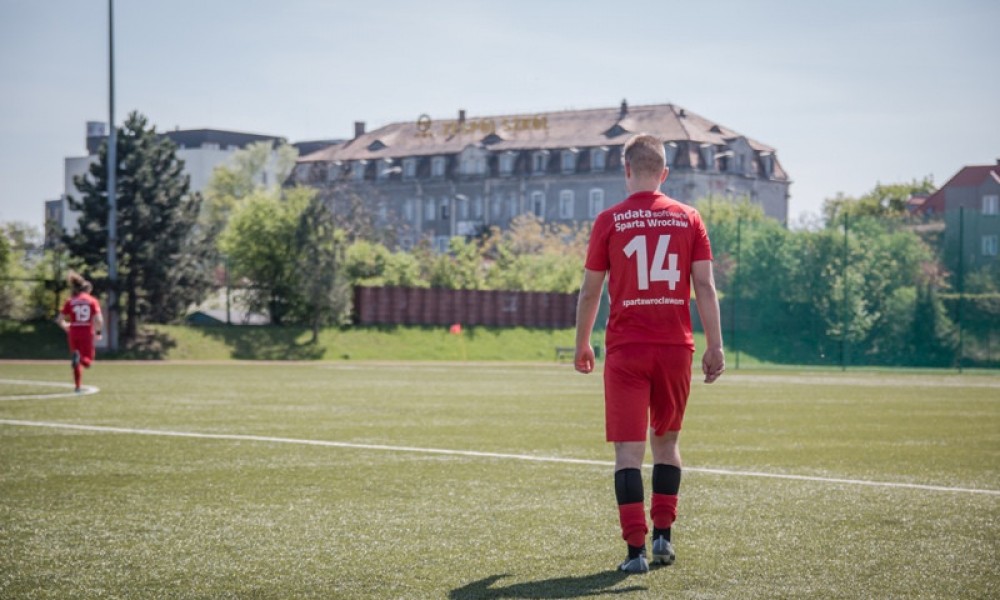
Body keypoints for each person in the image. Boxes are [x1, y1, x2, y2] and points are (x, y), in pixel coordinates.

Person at [574, 133, 725, 573]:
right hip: (675, 348)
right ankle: (663, 538)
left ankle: (635, 551)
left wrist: (583, 341)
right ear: (664, 173)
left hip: (626, 349)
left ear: (626, 172)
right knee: (667, 443)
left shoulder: (609, 220)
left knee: (627, 453)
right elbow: (705, 287)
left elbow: (589, 292)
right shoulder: (689, 218)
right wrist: (715, 345)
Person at [56, 272, 104, 392]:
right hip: (87, 331)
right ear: (88, 290)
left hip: (73, 331)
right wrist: (98, 332)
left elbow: (59, 319)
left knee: (76, 361)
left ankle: (77, 386)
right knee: (87, 361)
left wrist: (66, 327)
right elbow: (99, 319)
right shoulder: (92, 300)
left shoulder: (71, 301)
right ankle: (80, 359)